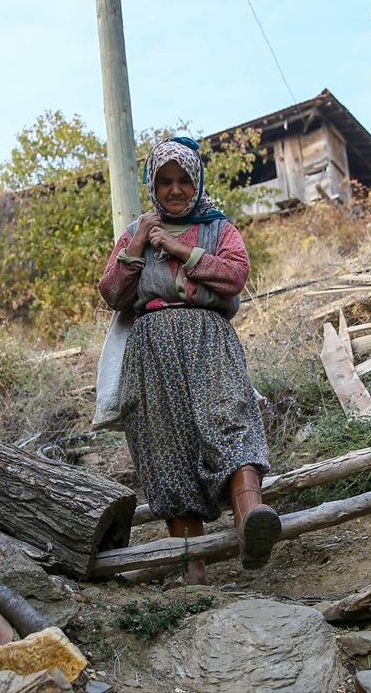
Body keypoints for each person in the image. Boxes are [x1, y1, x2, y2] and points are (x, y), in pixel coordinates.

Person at [98, 137, 280, 585]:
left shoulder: (219, 228)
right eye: (165, 182)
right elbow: (112, 293)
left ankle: (250, 521)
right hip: (151, 347)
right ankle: (190, 567)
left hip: (207, 335)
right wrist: (140, 240)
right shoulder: (136, 232)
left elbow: (235, 275)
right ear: (153, 186)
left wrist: (181, 251)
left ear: (197, 181)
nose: (175, 190)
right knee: (164, 446)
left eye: (183, 180)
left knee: (228, 420)